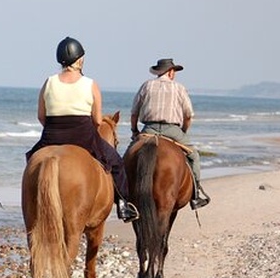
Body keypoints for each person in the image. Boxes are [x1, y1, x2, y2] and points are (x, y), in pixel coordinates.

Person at [26, 37, 139, 222]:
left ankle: (31, 202)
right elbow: (97, 120)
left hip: (51, 135)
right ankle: (123, 205)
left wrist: (56, 129)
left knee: (31, 161)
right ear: (80, 60)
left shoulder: (49, 82)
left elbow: (41, 116)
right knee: (116, 162)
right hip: (83, 136)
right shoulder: (90, 84)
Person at [129, 58, 211, 209]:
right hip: (172, 130)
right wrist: (183, 131)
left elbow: (134, 113)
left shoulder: (146, 85)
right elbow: (188, 115)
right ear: (170, 72)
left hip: (149, 129)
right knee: (194, 156)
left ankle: (122, 196)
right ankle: (196, 195)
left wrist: (134, 130)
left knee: (129, 155)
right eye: (174, 71)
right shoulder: (179, 88)